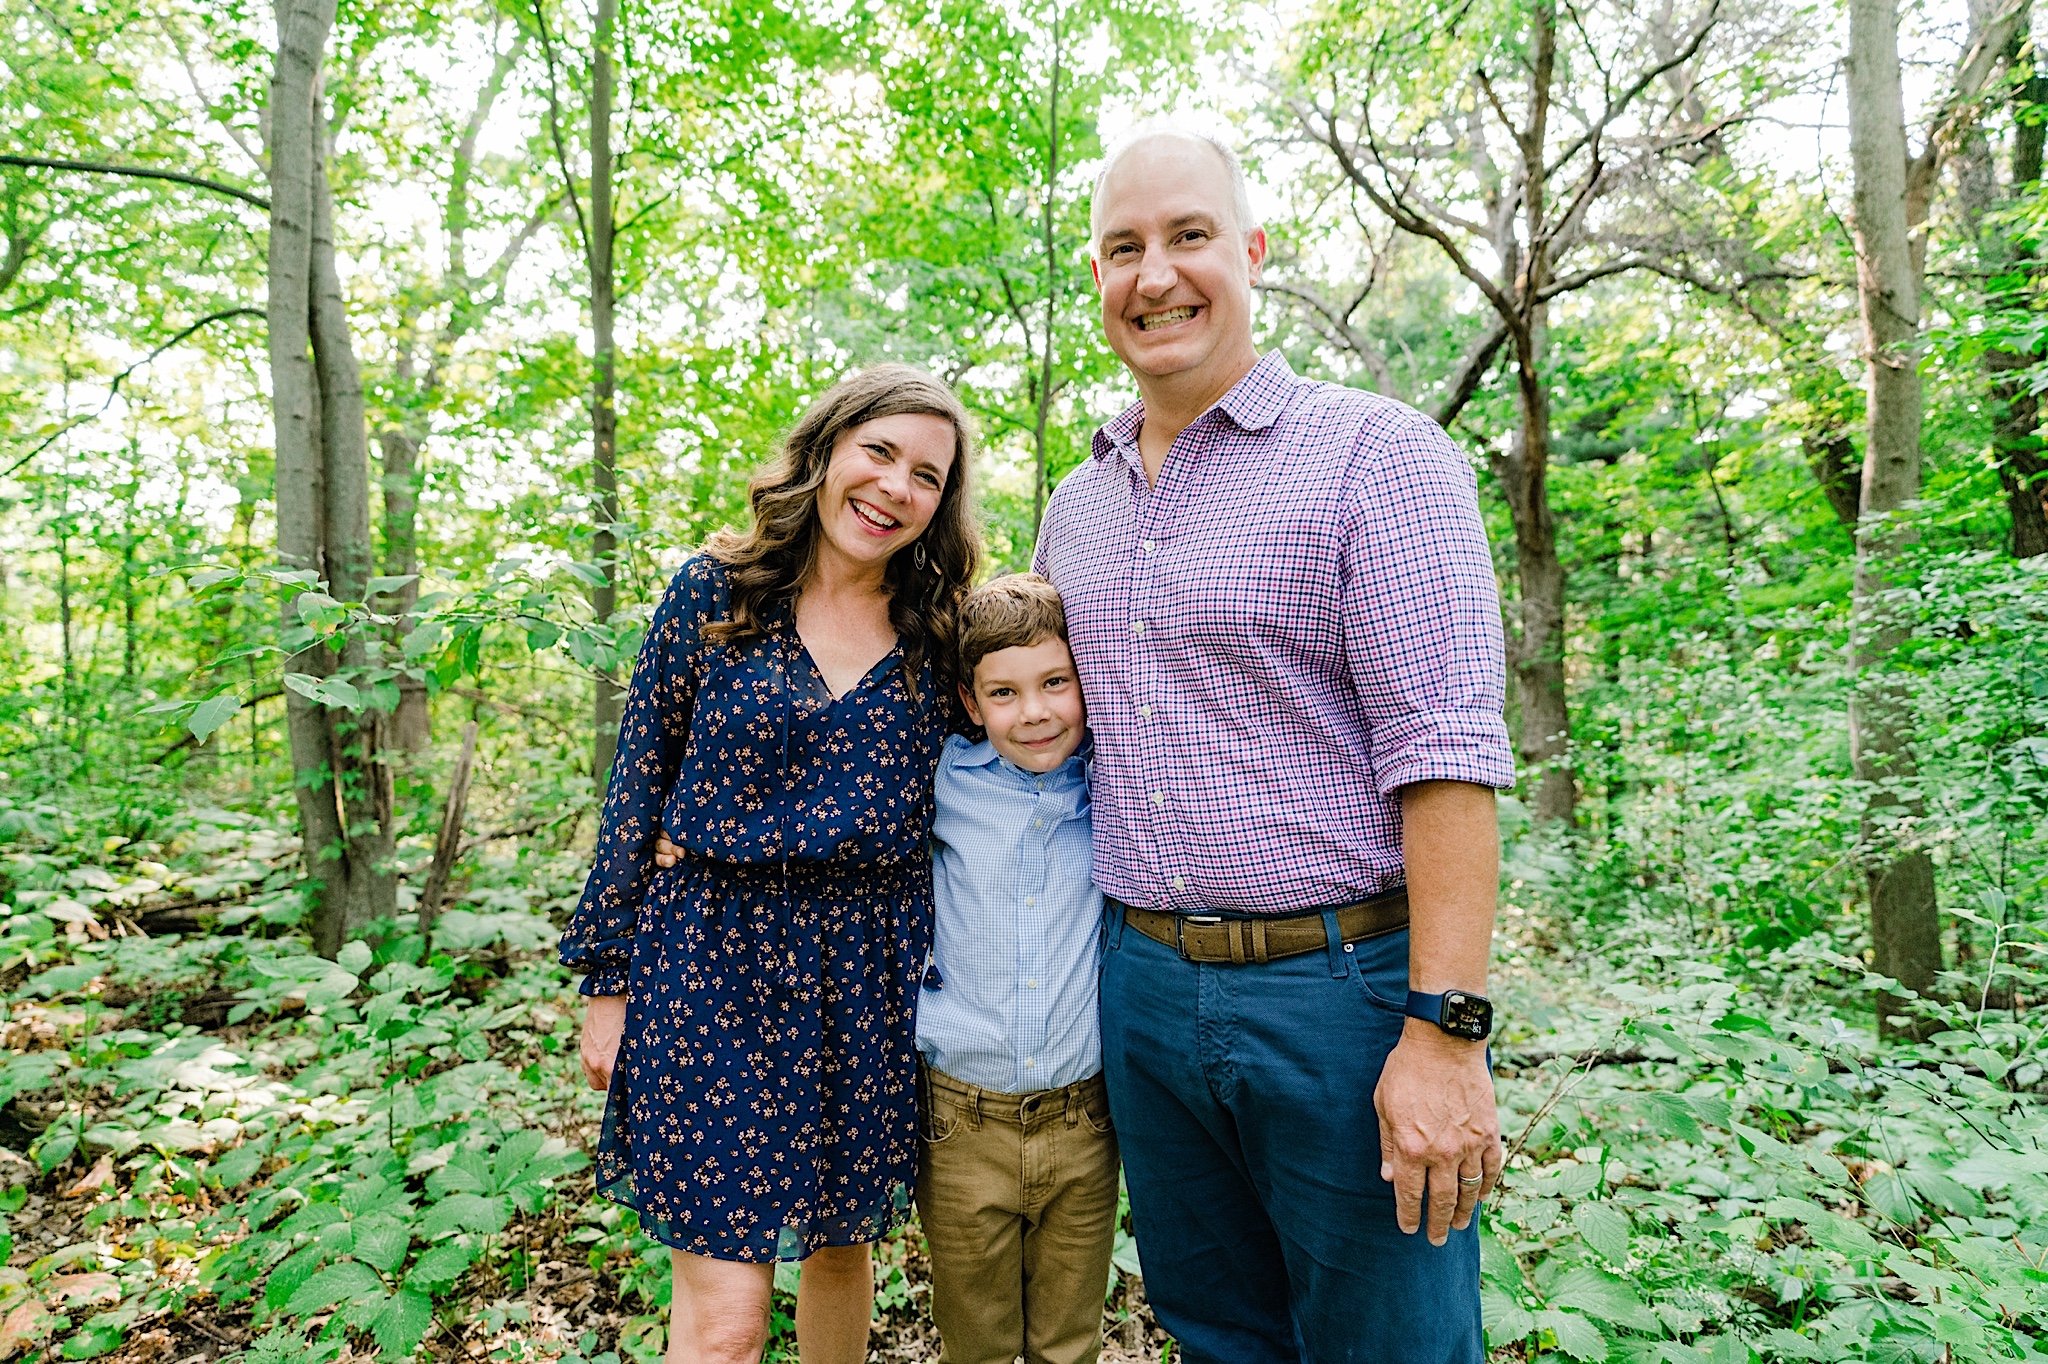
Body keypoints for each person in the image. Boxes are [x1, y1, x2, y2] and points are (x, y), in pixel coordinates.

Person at [1033, 126, 1515, 1364]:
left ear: (1248, 250)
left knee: (1389, 1344)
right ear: (1095, 279)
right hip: (1137, 986)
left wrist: (1444, 1035)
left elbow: (1447, 756)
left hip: (1342, 991)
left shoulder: (1377, 458)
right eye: (1120, 248)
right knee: (1218, 1335)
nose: (1155, 275)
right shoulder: (1073, 513)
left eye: (1187, 236)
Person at [560, 364, 982, 1364]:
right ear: (826, 449)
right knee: (727, 1319)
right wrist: (606, 980)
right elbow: (636, 781)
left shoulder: (940, 632)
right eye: (877, 451)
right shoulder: (716, 592)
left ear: (940, 502)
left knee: (840, 1247)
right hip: (708, 959)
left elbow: (1020, 773)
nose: (893, 485)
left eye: (925, 474)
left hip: (868, 972)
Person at [913, 573, 1117, 1364]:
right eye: (1004, 693)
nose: (1033, 713)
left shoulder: (1115, 783)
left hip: (1084, 1120)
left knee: (1069, 1340)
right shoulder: (940, 782)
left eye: (1055, 683)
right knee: (978, 1339)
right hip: (962, 1119)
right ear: (971, 704)